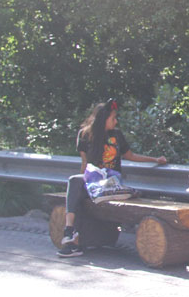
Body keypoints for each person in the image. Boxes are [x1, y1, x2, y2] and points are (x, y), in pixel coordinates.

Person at [58, 99, 167, 257]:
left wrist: (155, 160)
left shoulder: (117, 135)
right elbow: (84, 165)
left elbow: (130, 155)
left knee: (77, 189)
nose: (116, 122)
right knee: (75, 182)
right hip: (94, 184)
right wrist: (82, 186)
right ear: (103, 119)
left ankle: (73, 241)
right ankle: (70, 235)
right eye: (113, 118)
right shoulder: (85, 135)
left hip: (111, 184)